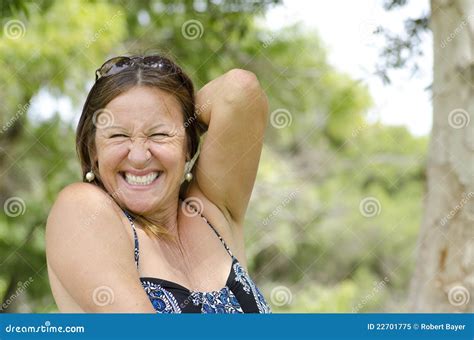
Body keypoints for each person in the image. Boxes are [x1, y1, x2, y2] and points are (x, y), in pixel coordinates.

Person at [45, 54, 271, 313]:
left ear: (188, 145)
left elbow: (240, 90)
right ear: (93, 151)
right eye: (118, 135)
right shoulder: (83, 208)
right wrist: (170, 127)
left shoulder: (212, 209)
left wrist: (180, 112)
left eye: (160, 134)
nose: (139, 157)